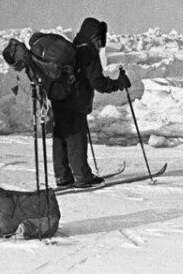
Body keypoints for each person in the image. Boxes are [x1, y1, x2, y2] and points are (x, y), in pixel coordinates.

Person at [52, 17, 131, 187]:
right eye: (98, 36)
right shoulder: (88, 52)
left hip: (59, 100)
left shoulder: (72, 48)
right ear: (92, 35)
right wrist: (119, 83)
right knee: (76, 139)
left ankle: (62, 176)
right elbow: (99, 83)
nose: (100, 41)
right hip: (75, 103)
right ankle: (82, 177)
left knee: (61, 138)